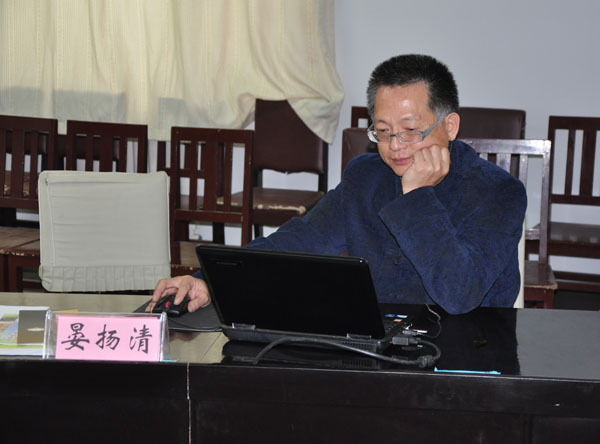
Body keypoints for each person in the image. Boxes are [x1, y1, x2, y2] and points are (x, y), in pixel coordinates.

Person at [149, 54, 526, 315]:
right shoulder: (366, 176)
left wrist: (418, 196)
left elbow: (460, 295)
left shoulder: (497, 192)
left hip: (468, 358)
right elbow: (296, 242)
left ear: (450, 126)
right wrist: (209, 281)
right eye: (383, 131)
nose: (395, 146)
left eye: (410, 131)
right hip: (380, 350)